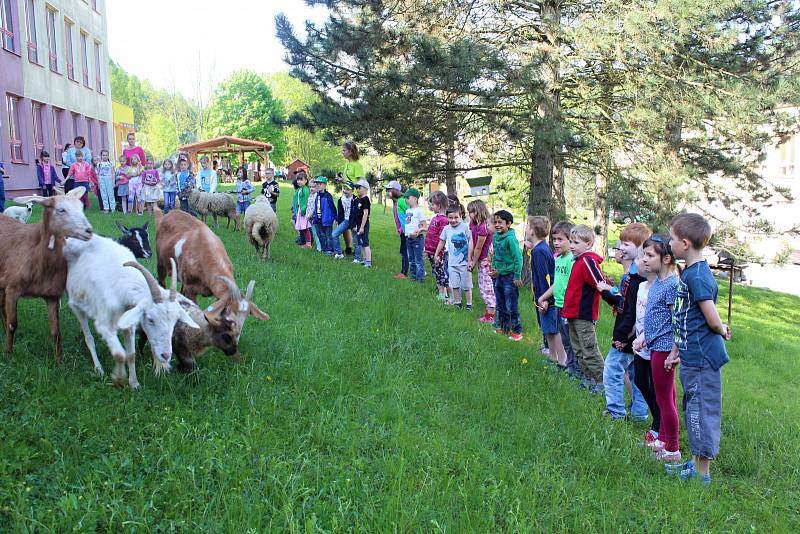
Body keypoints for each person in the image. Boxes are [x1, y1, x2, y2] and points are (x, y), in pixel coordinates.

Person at [665, 213, 731, 484]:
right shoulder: (691, 272)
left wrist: (721, 328)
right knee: (692, 408)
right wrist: (676, 351)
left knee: (702, 411)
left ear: (684, 243)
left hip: (703, 358)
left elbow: (711, 316)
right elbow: (685, 318)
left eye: (671, 238)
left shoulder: (699, 276)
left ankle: (703, 474)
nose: (668, 243)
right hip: (691, 356)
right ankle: (694, 464)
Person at [596, 222, 651, 420]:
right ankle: (639, 414)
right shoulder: (634, 274)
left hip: (629, 336)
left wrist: (623, 337)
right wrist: (608, 293)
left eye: (626, 243)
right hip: (634, 336)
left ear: (642, 248)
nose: (621, 247)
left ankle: (616, 412)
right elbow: (625, 304)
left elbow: (632, 312)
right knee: (637, 375)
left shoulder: (637, 278)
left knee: (612, 370)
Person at [636, 234, 681, 463]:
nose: (644, 259)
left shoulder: (672, 285)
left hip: (665, 350)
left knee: (664, 399)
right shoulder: (657, 282)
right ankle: (663, 438)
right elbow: (657, 319)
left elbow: (676, 321)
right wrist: (645, 337)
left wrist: (674, 352)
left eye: (650, 255)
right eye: (644, 254)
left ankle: (672, 448)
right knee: (665, 397)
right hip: (654, 347)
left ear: (665, 259)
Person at [561, 224, 606, 393]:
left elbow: (599, 283)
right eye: (571, 242)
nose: (572, 246)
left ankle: (602, 382)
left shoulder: (588, 261)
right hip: (572, 314)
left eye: (576, 242)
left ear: (588, 244)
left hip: (583, 315)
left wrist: (615, 298)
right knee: (578, 350)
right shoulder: (578, 261)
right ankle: (588, 379)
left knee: (589, 350)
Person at [537, 221, 580, 377]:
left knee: (574, 342)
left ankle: (577, 372)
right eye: (554, 239)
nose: (555, 242)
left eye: (560, 239)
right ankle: (570, 368)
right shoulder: (559, 259)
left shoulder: (572, 260)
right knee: (566, 341)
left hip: (571, 308)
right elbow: (557, 284)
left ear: (571, 240)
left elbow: (573, 285)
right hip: (560, 305)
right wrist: (544, 298)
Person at [527, 216, 568, 367]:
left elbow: (546, 277)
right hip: (542, 298)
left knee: (553, 329)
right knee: (547, 329)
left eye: (527, 227)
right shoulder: (538, 249)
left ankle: (562, 360)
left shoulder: (540, 251)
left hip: (547, 299)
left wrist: (545, 299)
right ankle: (552, 356)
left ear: (532, 230)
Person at [633, 255, 661, 446]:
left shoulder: (661, 288)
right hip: (639, 346)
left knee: (657, 388)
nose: (642, 260)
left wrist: (646, 336)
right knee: (640, 380)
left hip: (657, 347)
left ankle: (659, 426)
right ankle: (658, 419)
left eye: (648, 256)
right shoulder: (642, 287)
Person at [489, 210, 523, 339]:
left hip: (509, 276)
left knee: (511, 305)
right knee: (500, 303)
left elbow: (518, 259)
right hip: (498, 275)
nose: (497, 225)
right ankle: (503, 328)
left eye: (500, 222)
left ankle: (516, 331)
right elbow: (497, 255)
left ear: (508, 224)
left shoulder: (510, 239)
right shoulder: (496, 236)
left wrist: (517, 276)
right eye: (495, 222)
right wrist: (493, 266)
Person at [436, 203, 473, 307]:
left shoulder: (465, 227)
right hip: (452, 263)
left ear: (461, 216)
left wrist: (470, 259)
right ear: (447, 217)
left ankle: (469, 304)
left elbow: (471, 241)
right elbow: (442, 242)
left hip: (465, 263)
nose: (453, 220)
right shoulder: (446, 229)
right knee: (454, 285)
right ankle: (458, 303)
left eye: (456, 217)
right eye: (450, 218)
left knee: (466, 285)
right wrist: (436, 253)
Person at [468, 200, 495, 322]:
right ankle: (488, 312)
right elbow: (472, 242)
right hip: (479, 259)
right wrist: (470, 259)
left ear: (478, 211)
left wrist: (473, 263)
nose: (470, 214)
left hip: (485, 260)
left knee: (487, 286)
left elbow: (479, 247)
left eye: (472, 212)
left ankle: (491, 316)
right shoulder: (474, 224)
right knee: (482, 286)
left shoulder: (484, 227)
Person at [425, 191, 450, 302]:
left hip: (437, 253)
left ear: (439, 205)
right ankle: (442, 294)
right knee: (437, 272)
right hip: (431, 251)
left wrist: (438, 254)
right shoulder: (435, 217)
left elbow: (442, 239)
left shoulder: (443, 220)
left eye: (433, 204)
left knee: (441, 273)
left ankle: (445, 295)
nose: (431, 206)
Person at [403, 187, 427, 282]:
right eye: (405, 198)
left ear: (415, 199)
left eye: (408, 197)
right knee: (411, 259)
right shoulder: (408, 211)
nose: (406, 200)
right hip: (408, 238)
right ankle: (413, 277)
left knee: (418, 260)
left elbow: (425, 226)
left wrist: (418, 231)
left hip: (417, 239)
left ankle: (420, 278)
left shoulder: (419, 211)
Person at [386, 180, 410, 279]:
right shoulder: (395, 202)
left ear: (395, 191)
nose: (387, 193)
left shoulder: (401, 201)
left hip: (407, 231)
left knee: (405, 251)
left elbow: (410, 211)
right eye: (386, 190)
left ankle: (404, 273)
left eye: (389, 190)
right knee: (404, 250)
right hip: (402, 231)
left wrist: (405, 227)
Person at [312, 176, 337, 255]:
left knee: (328, 236)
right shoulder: (317, 195)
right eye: (317, 184)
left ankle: (330, 250)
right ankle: (324, 248)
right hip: (319, 219)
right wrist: (315, 217)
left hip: (327, 220)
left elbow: (333, 207)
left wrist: (335, 217)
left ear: (325, 185)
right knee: (321, 235)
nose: (318, 185)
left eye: (320, 184)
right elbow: (316, 207)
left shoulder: (328, 196)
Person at [332, 182, 355, 259]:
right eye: (344, 189)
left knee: (357, 240)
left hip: (354, 221)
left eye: (348, 189)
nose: (345, 191)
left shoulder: (355, 200)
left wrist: (356, 225)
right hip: (345, 221)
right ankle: (339, 253)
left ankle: (358, 257)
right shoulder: (341, 200)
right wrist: (339, 222)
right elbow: (340, 213)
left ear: (352, 191)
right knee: (334, 234)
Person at [353, 179, 372, 267]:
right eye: (356, 188)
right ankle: (364, 260)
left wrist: (362, 227)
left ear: (365, 188)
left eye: (359, 188)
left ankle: (368, 261)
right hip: (359, 224)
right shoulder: (359, 199)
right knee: (361, 242)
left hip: (364, 224)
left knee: (365, 242)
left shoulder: (365, 199)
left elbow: (365, 214)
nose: (357, 190)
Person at [292, 171, 312, 247]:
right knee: (302, 227)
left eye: (301, 180)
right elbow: (296, 201)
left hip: (304, 210)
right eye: (298, 180)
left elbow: (306, 201)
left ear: (306, 181)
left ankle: (308, 243)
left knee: (305, 227)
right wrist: (296, 210)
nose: (299, 181)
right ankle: (304, 241)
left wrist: (303, 210)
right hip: (300, 210)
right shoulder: (299, 189)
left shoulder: (305, 189)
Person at [306, 180, 321, 251]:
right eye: (310, 187)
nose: (311, 188)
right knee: (314, 233)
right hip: (310, 218)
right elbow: (308, 206)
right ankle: (319, 246)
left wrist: (309, 215)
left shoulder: (317, 196)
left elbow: (315, 208)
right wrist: (307, 215)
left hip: (314, 217)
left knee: (318, 233)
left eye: (314, 187)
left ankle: (320, 247)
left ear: (317, 187)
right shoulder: (310, 196)